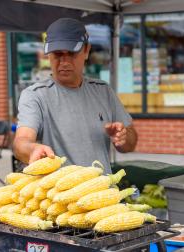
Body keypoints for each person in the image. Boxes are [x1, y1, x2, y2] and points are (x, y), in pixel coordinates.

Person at [13, 18, 137, 172]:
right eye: (58, 54)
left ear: (86, 51)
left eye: (71, 53)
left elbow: (130, 143)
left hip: (104, 191)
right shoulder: (35, 95)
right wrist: (32, 150)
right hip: (59, 194)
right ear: (49, 55)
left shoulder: (103, 91)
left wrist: (123, 138)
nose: (64, 62)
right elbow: (21, 141)